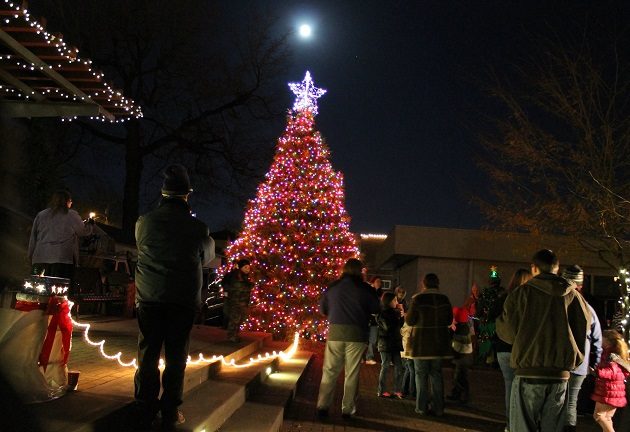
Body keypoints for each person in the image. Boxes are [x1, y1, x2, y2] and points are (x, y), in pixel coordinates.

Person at [133, 164, 215, 430]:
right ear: (186, 195)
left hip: (149, 296)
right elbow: (208, 257)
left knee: (148, 352)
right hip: (181, 300)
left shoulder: (144, 222)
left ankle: (144, 406)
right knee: (176, 356)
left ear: (163, 192)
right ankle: (169, 410)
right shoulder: (198, 228)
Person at [496, 249, 590, 432]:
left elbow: (507, 333)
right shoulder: (574, 297)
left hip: (528, 371)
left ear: (534, 268)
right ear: (557, 268)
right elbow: (583, 329)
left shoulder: (521, 294)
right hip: (560, 374)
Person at [316, 258, 380, 419]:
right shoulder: (365, 289)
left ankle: (322, 407)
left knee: (330, 371)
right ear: (360, 271)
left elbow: (323, 309)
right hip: (357, 334)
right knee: (352, 373)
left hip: (335, 333)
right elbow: (376, 308)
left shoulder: (333, 287)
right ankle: (347, 409)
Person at [404, 273, 453, 417]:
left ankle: (421, 407)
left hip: (421, 344)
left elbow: (410, 321)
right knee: (436, 375)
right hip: (438, 344)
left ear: (424, 284)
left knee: (421, 376)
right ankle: (438, 408)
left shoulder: (418, 299)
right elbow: (449, 319)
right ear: (437, 283)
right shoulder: (444, 299)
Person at [490, 268, 532, 432]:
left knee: (509, 386)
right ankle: (522, 424)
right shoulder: (530, 298)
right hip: (523, 348)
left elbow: (492, 314)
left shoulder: (504, 297)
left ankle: (510, 424)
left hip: (503, 347)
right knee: (524, 388)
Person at [562, 265, 602, 432]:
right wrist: (595, 362)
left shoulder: (557, 306)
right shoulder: (588, 308)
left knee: (557, 401)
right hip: (580, 364)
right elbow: (597, 338)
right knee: (571, 402)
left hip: (559, 362)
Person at [28, 189, 94, 280]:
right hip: (61, 260)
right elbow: (83, 231)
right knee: (59, 288)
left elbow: (33, 237)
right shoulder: (71, 215)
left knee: (38, 287)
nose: (71, 203)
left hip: (40, 258)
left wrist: (30, 255)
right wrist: (90, 224)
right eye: (70, 201)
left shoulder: (41, 215)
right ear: (67, 201)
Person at [591, 330, 630, 432]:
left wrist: (596, 372)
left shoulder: (611, 355)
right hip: (614, 391)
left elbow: (612, 372)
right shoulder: (617, 354)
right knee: (607, 418)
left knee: (599, 416)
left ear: (607, 341)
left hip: (609, 391)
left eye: (602, 338)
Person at [376, 291, 404, 398]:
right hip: (386, 343)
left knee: (399, 367)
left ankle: (397, 390)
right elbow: (388, 327)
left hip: (395, 343)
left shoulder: (394, 312)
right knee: (385, 366)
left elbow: (399, 326)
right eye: (395, 300)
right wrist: (396, 315)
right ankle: (381, 390)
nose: (396, 302)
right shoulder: (383, 313)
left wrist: (401, 316)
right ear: (388, 301)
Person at [222, 259, 253, 343]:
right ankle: (231, 336)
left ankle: (235, 335)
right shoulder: (234, 276)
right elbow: (230, 287)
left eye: (248, 267)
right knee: (235, 319)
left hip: (242, 302)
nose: (247, 269)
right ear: (241, 267)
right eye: (245, 267)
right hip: (235, 302)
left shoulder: (245, 277)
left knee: (240, 319)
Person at [447, 306, 473, 404]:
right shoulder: (465, 327)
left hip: (460, 358)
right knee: (462, 377)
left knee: (458, 378)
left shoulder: (459, 330)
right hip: (466, 357)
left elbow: (455, 345)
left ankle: (462, 397)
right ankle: (459, 395)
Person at [365, 276, 383, 365]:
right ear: (373, 282)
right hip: (367, 319)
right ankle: (360, 357)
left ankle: (369, 357)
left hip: (375, 320)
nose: (379, 283)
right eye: (377, 281)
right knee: (364, 339)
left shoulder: (381, 294)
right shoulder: (368, 292)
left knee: (373, 339)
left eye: (380, 282)